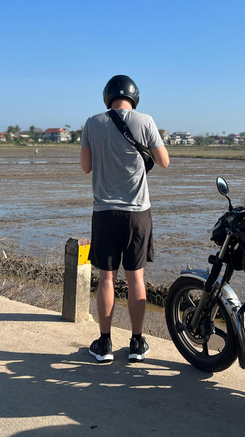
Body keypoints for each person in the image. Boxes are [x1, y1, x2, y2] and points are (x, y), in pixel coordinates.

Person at [80, 74, 170, 363]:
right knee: (136, 278)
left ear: (108, 97)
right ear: (134, 97)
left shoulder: (92, 123)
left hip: (104, 212)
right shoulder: (146, 121)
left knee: (107, 277)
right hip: (138, 213)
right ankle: (136, 342)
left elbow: (86, 167)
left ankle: (104, 343)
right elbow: (164, 161)